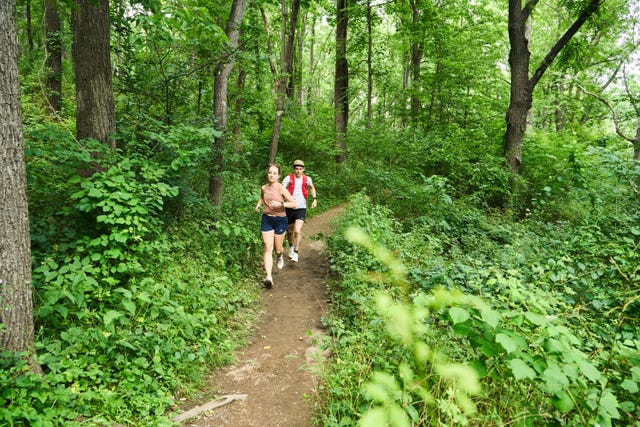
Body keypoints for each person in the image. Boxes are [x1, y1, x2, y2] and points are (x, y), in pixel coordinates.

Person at [255, 163, 296, 288]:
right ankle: (268, 276)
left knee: (278, 249)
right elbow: (262, 198)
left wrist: (281, 204)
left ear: (278, 176)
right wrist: (258, 205)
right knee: (268, 247)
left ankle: (279, 256)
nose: (271, 175)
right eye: (270, 172)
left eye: (274, 173)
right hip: (267, 219)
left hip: (280, 220)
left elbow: (293, 203)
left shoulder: (281, 189)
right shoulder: (264, 187)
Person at [282, 159, 317, 262]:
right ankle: (291, 246)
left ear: (303, 169)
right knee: (289, 231)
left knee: (297, 231)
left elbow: (312, 188)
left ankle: (296, 253)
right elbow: (282, 191)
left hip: (301, 208)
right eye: (296, 169)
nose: (298, 171)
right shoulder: (288, 178)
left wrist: (314, 199)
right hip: (289, 208)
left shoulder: (307, 179)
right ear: (294, 169)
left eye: (300, 169)